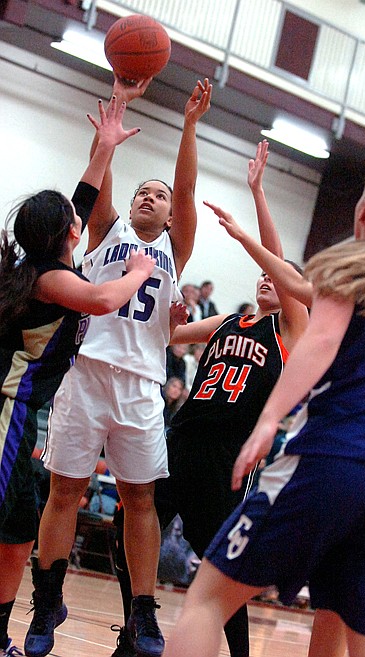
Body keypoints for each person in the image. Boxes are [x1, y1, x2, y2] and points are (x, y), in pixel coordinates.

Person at [162, 162, 365, 657]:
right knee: (358, 632)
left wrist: (269, 420)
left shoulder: (349, 273)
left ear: (361, 216)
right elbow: (288, 278)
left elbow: (321, 337)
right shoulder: (237, 319)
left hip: (332, 460)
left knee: (205, 600)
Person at [25, 76, 212, 657]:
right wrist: (119, 106)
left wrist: (188, 126)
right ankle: (47, 600)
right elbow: (97, 176)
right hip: (86, 374)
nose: (152, 197)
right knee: (66, 492)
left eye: (158, 194)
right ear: (129, 206)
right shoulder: (108, 231)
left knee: (140, 501)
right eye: (142, 193)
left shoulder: (175, 250)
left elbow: (186, 189)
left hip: (141, 385)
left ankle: (143, 614)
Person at [111, 139, 309, 657]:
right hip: (181, 437)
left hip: (227, 458)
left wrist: (258, 193)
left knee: (222, 567)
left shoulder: (290, 329)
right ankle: (134, 631)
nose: (268, 277)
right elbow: (165, 336)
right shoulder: (227, 321)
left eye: (278, 277)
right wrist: (148, 305)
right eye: (261, 275)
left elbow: (278, 260)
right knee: (124, 525)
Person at [0, 97, 155, 657]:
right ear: (69, 231)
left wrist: (106, 147)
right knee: (7, 526)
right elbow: (103, 297)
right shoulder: (54, 281)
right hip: (7, 414)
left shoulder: (41, 264)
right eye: (74, 216)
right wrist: (139, 268)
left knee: (17, 531)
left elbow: (82, 200)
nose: (80, 214)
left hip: (23, 415)